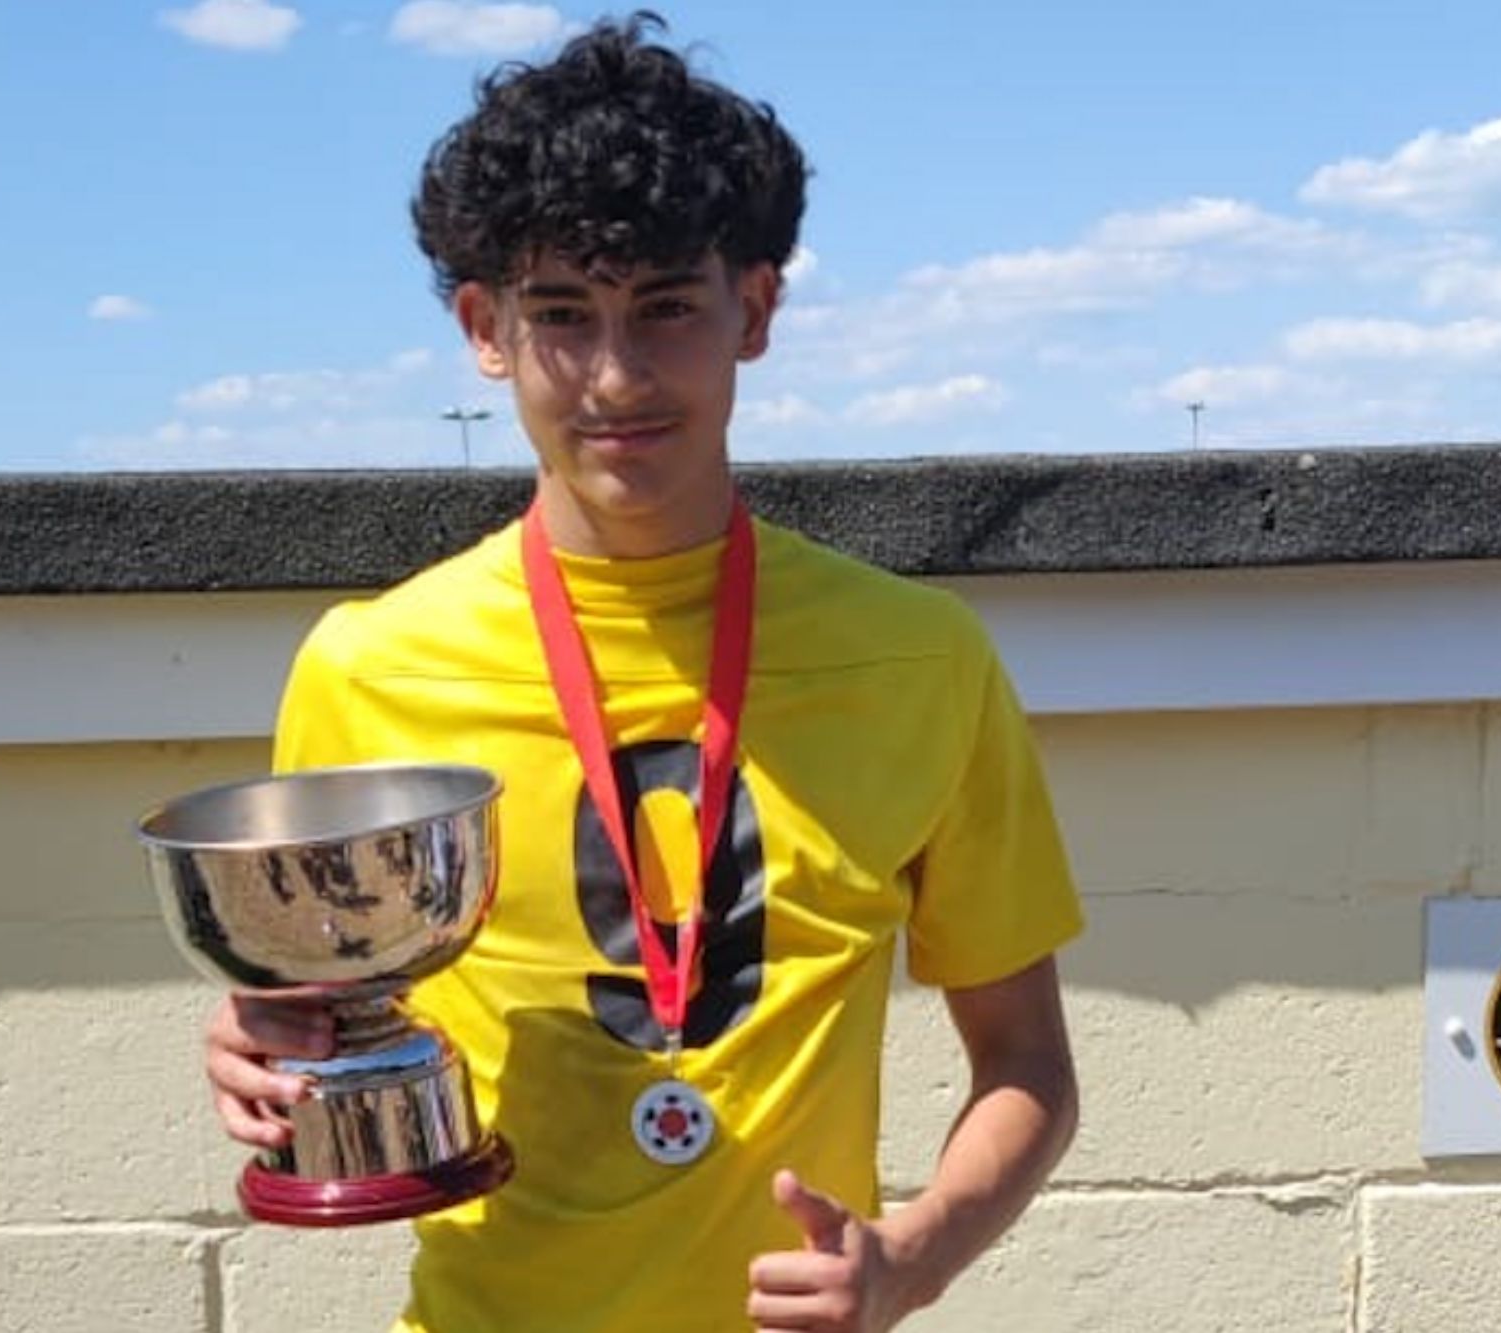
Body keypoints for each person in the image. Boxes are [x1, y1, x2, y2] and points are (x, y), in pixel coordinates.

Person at [203, 13, 1082, 1331]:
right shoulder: (368, 668)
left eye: (668, 306)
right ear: (483, 327)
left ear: (758, 309)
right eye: (563, 314)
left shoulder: (922, 658)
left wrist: (913, 1256)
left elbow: (1028, 1065)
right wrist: (265, 1050)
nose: (616, 377)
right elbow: (320, 1024)